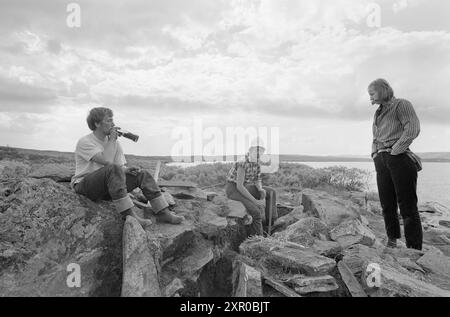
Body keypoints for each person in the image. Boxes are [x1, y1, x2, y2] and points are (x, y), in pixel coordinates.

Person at [71, 107, 184, 227]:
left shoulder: (114, 143)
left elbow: (118, 168)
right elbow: (108, 161)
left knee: (142, 174)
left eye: (112, 120)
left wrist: (127, 170)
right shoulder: (85, 142)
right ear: (97, 123)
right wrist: (113, 139)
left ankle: (163, 212)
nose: (113, 124)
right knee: (112, 168)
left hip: (107, 188)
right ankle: (130, 216)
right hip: (86, 186)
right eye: (109, 120)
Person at [368, 78, 422, 250]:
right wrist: (375, 154)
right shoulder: (378, 112)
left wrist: (395, 150)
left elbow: (413, 128)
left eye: (372, 93)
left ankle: (414, 249)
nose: (370, 97)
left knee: (407, 205)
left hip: (399, 158)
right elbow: (375, 137)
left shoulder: (402, 105)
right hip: (381, 160)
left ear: (383, 90)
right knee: (386, 203)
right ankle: (392, 241)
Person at [225, 144, 277, 237]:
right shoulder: (242, 162)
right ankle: (258, 239)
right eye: (256, 150)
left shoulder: (257, 163)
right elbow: (239, 187)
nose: (259, 153)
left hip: (246, 186)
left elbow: (257, 179)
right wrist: (255, 201)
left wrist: (260, 189)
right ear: (250, 151)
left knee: (271, 192)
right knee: (256, 212)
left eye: (261, 151)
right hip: (233, 189)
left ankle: (270, 223)